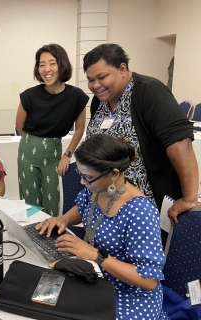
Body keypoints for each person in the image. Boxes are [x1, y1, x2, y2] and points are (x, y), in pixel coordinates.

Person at [37, 134, 168, 319]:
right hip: (97, 276)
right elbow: (82, 208)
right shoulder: (98, 187)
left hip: (129, 293)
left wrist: (96, 256)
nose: (82, 182)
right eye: (81, 175)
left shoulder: (139, 211)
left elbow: (148, 281)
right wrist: (64, 219)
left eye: (88, 177)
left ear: (113, 173)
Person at [83, 43, 198, 224]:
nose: (95, 85)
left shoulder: (149, 92)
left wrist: (189, 197)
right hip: (108, 201)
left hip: (143, 205)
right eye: (90, 80)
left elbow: (179, 142)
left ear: (122, 68)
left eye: (101, 77)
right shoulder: (100, 101)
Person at [15, 43, 89, 216]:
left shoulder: (76, 96)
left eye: (52, 63)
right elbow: (19, 125)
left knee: (52, 197)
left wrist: (68, 154)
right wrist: (34, 143)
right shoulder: (29, 95)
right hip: (27, 150)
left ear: (61, 64)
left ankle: (50, 238)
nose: (46, 69)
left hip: (54, 152)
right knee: (29, 200)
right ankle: (32, 236)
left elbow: (79, 129)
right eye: (42, 64)